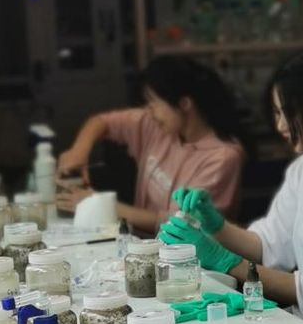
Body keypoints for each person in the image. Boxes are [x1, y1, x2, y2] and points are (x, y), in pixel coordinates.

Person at [160, 46, 303, 321]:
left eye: (288, 113)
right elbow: (268, 246)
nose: (281, 126)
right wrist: (215, 226)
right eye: (276, 113)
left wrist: (227, 263)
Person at [56, 55, 245, 234]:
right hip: (142, 246)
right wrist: (79, 151)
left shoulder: (222, 157)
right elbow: (102, 122)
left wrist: (100, 203)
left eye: (154, 102)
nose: (149, 110)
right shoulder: (159, 126)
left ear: (185, 104)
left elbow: (181, 223)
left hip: (185, 259)